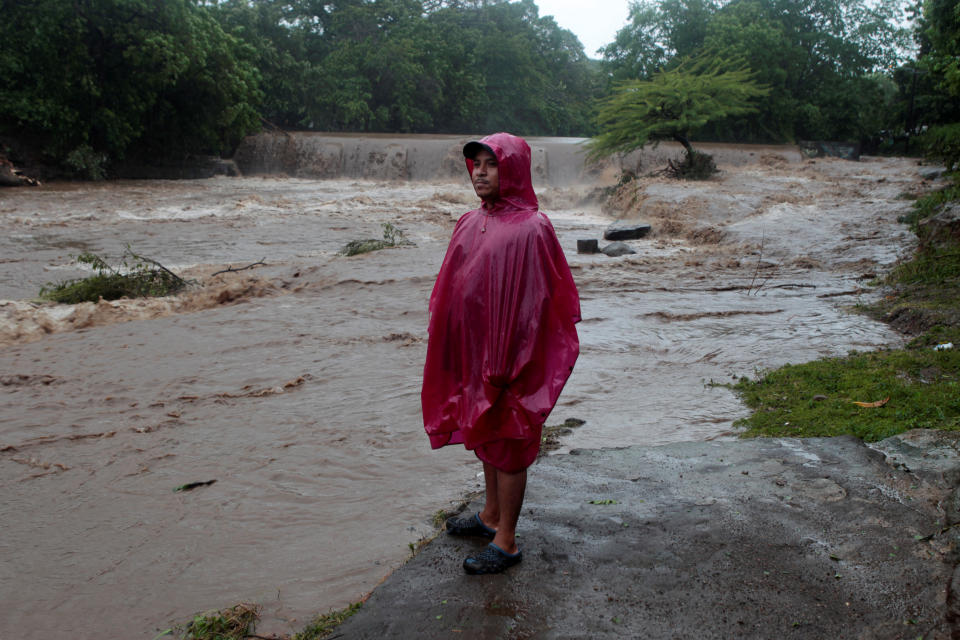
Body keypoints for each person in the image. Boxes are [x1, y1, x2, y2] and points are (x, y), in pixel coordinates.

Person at [421, 132, 581, 574]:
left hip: (513, 362)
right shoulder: (471, 221)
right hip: (475, 355)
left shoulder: (533, 228)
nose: (481, 172)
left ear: (512, 169)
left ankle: (507, 541)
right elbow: (451, 289)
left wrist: (513, 361)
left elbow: (542, 305)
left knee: (509, 442)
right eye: (476, 164)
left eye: (491, 163)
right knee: (487, 434)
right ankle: (490, 515)